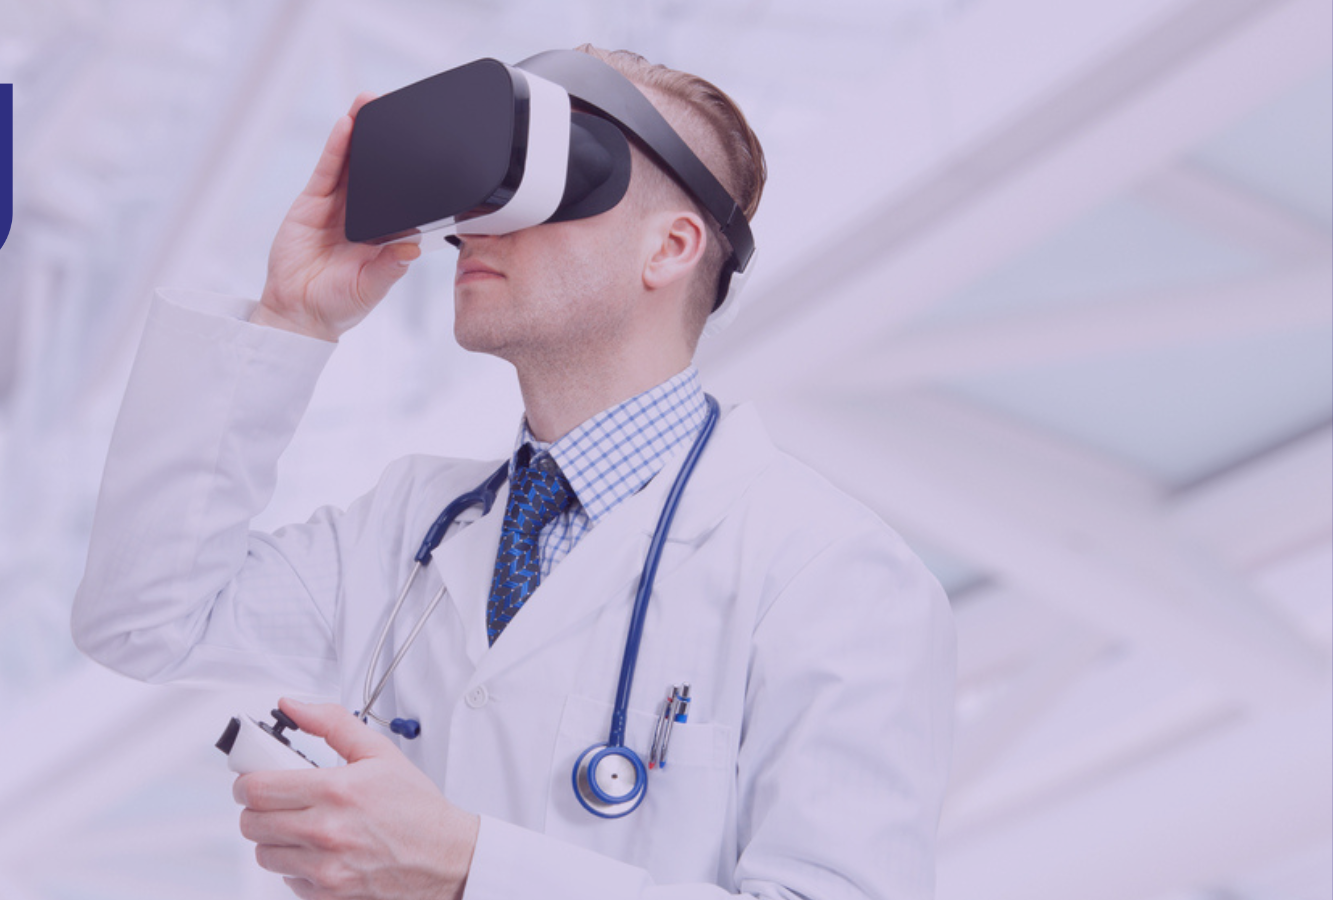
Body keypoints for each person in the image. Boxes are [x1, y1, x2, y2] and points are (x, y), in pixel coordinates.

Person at [72, 45, 955, 900]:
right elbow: (143, 619)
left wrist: (467, 871)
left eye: (554, 178)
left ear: (672, 248)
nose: (470, 227)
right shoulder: (409, 523)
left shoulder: (834, 576)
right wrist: (287, 316)